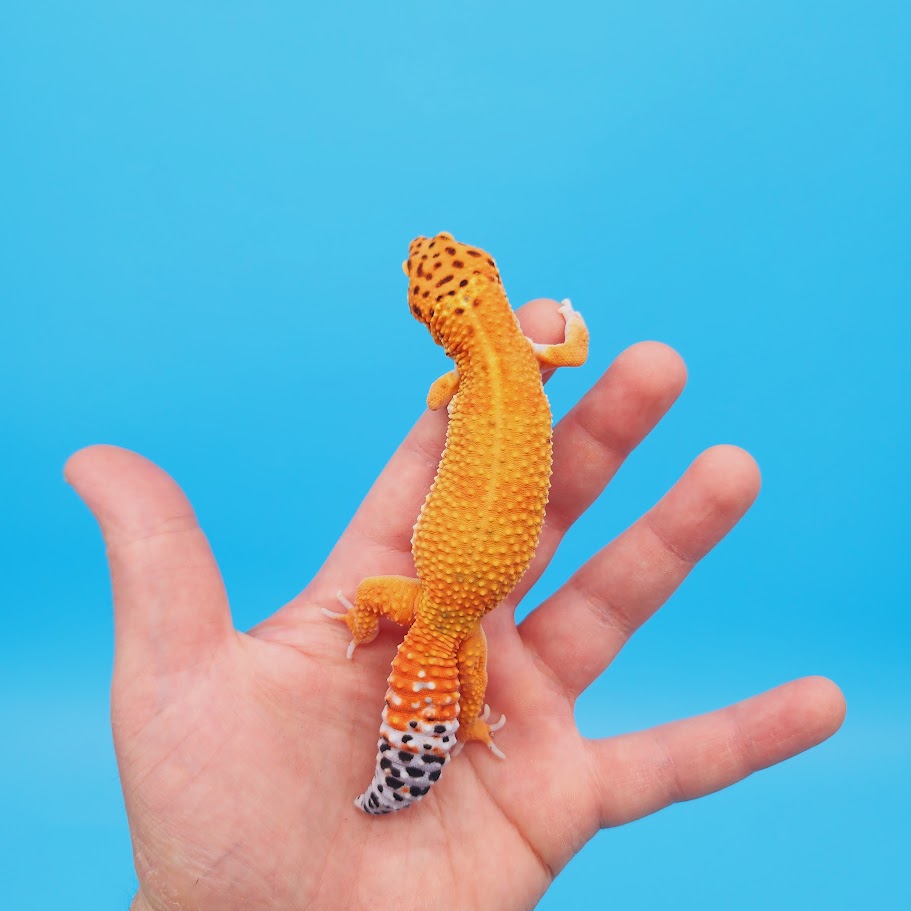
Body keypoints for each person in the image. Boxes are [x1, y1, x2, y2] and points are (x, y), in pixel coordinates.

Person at [65, 299, 845, 911]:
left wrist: (363, 623)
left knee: (427, 654)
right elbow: (570, 350)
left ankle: (439, 737)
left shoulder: (459, 378)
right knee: (467, 690)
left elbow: (448, 391)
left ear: (438, 326)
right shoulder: (523, 358)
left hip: (436, 595)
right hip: (456, 604)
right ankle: (453, 733)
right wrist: (572, 327)